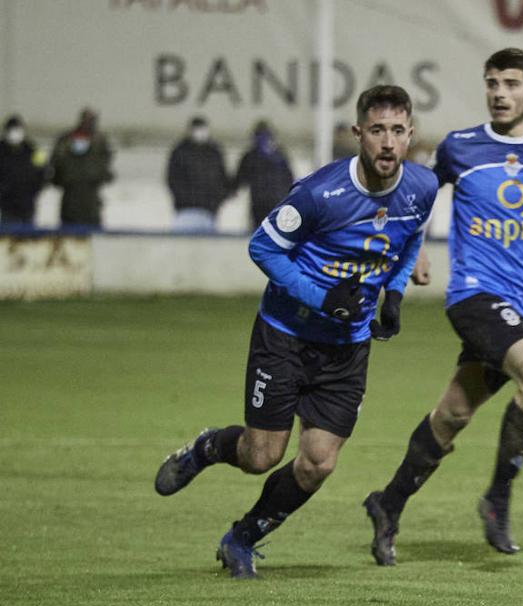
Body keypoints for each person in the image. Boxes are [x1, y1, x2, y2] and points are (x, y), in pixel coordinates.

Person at [153, 86, 438, 579]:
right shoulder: (318, 193)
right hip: (285, 337)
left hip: (347, 351)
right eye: (376, 131)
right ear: (357, 135)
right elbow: (263, 248)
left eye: (397, 131)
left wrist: (393, 294)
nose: (388, 143)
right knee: (261, 456)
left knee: (317, 464)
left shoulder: (422, 187)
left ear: (410, 134)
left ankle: (242, 538)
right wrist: (322, 297)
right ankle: (207, 448)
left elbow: (409, 236)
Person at [362, 48, 523, 563]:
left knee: (451, 414)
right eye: (493, 82)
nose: (499, 92)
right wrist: (416, 249)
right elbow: (414, 197)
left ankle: (388, 503)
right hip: (474, 295)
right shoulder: (460, 147)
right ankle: (497, 498)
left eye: (512, 84)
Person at [49, 108, 113, 229]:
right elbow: (56, 166)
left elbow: (105, 166)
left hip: (91, 198)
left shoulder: (100, 141)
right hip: (71, 197)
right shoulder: (66, 140)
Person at [166, 116, 230, 233]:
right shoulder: (180, 151)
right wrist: (184, 199)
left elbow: (222, 179)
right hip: (185, 211)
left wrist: (216, 201)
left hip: (209, 212)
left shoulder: (214, 152)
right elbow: (173, 180)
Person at [234, 121, 295, 230]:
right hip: (272, 201)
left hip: (262, 202)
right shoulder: (279, 155)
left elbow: (239, 180)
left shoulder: (252, 156)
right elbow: (289, 179)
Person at [0, 115, 46, 228]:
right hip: (6, 204)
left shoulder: (33, 150)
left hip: (27, 203)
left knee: (27, 240)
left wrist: (34, 192)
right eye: (11, 129)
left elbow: (43, 173)